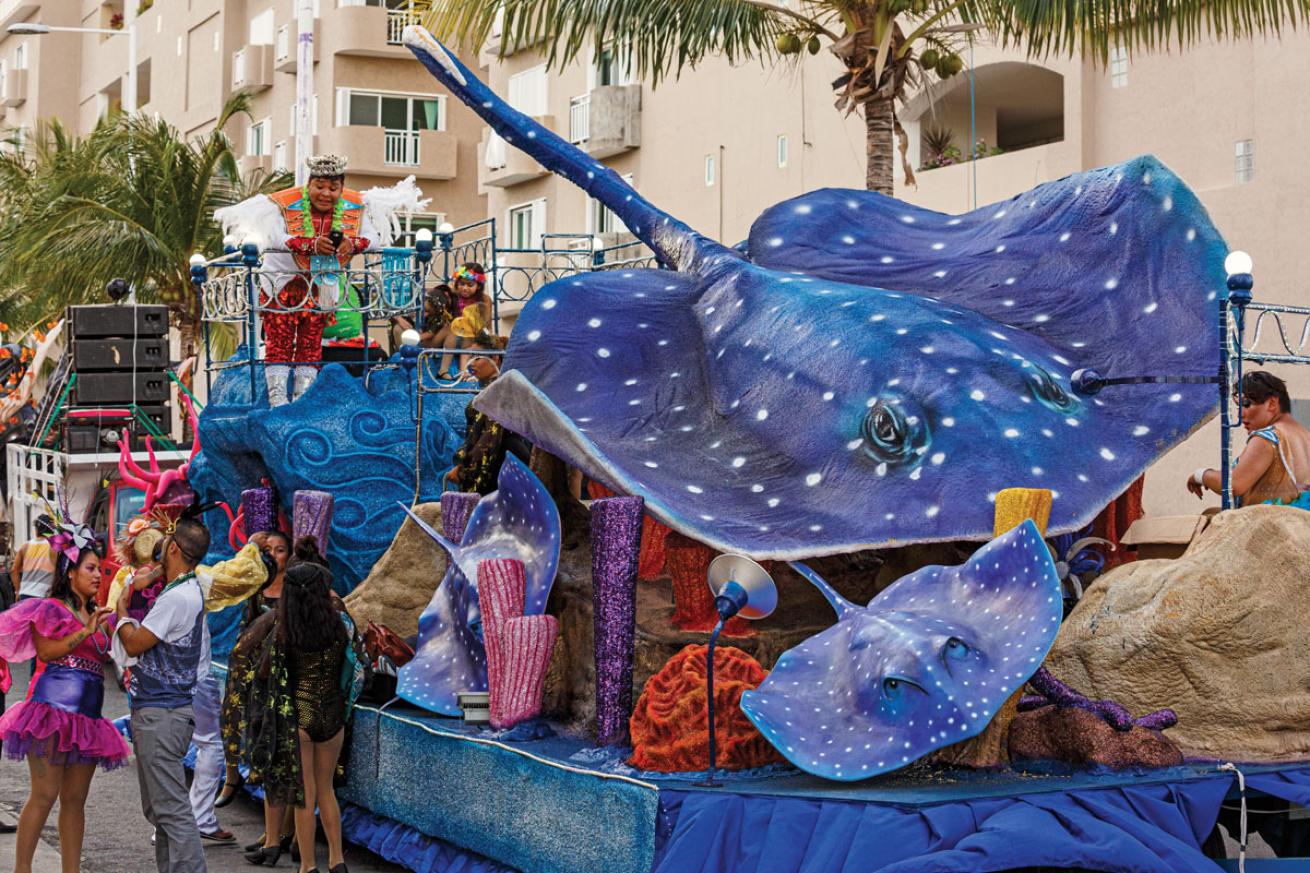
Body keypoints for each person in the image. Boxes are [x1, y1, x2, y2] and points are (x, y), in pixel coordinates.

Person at [233, 538, 366, 873]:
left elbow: (264, 674)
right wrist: (343, 708)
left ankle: (308, 866)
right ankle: (337, 860)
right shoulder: (341, 627)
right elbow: (356, 671)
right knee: (326, 792)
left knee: (303, 795)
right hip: (332, 716)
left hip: (299, 718)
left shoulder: (284, 630)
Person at [0, 542, 131, 872]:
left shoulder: (97, 613)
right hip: (50, 715)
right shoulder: (50, 609)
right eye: (90, 569)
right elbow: (45, 652)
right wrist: (85, 631)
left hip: (87, 723)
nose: (98, 576)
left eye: (100, 570)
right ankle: (22, 870)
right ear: (69, 572)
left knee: (75, 802)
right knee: (44, 796)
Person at [113, 514, 212, 873]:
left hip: (162, 713)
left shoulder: (177, 598)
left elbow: (136, 643)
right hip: (166, 711)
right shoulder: (188, 589)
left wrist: (123, 612)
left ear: (171, 548)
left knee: (170, 809)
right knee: (160, 809)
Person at [262, 155, 373, 407]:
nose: (325, 193)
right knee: (279, 341)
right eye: (319, 186)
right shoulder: (283, 203)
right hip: (282, 284)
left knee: (311, 343)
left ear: (341, 189)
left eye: (333, 188)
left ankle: (303, 399)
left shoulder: (355, 207)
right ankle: (277, 401)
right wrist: (308, 244)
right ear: (308, 185)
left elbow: (375, 238)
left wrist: (351, 243)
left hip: (322, 284)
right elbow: (272, 237)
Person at [218, 532, 295, 858]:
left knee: (281, 758)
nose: (275, 555)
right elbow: (245, 632)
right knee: (257, 743)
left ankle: (280, 835)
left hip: (282, 681)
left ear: (289, 555)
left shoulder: (296, 591)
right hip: (253, 678)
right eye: (269, 550)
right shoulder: (256, 588)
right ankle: (234, 776)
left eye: (280, 550)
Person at [1189, 370, 1310, 506]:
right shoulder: (1303, 434)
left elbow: (1234, 484)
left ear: (1271, 403)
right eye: (1238, 407)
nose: (1241, 415)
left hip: (1271, 523)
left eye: (1246, 405)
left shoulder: (1267, 438)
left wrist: (1201, 475)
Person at [446, 357, 532, 494]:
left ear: (495, 359)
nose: (471, 363)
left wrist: (464, 468)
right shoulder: (493, 389)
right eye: (470, 358)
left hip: (503, 460)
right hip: (499, 458)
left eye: (478, 358)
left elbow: (489, 437)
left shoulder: (499, 391)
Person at [438, 263, 492, 377]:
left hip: (477, 335)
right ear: (457, 283)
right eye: (462, 284)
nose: (465, 288)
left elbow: (486, 324)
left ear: (478, 286)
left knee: (471, 337)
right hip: (454, 336)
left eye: (470, 285)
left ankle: (464, 371)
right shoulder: (452, 296)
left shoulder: (485, 300)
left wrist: (484, 336)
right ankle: (454, 371)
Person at [391, 286, 454, 351]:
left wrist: (416, 337)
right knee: (398, 328)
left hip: (428, 343)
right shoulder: (419, 314)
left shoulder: (438, 319)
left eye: (428, 312)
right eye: (424, 311)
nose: (425, 314)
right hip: (419, 336)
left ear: (435, 311)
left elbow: (430, 334)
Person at [11, 515, 58, 601]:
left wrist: (17, 591)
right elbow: (58, 572)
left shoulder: (25, 546)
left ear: (36, 529)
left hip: (25, 594)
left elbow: (14, 570)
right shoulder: (53, 547)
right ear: (51, 530)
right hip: (43, 595)